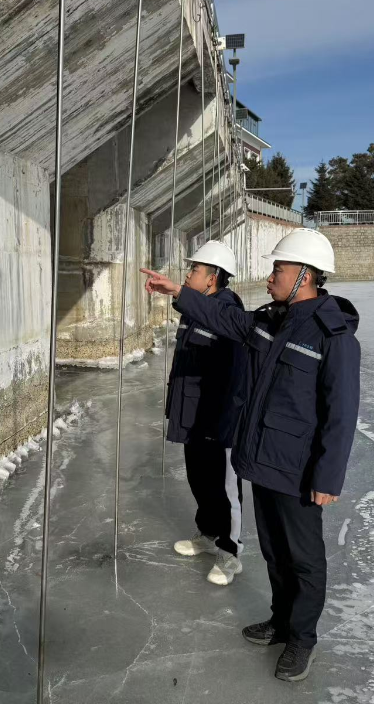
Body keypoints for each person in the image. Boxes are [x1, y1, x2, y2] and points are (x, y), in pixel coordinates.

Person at [140, 228, 360, 683]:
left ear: (305, 276)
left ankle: (302, 638)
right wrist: (179, 291)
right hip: (261, 457)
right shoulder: (269, 320)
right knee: (275, 552)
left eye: (279, 269)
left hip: (299, 468)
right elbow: (224, 319)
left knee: (303, 558)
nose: (270, 277)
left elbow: (341, 413)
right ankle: (281, 621)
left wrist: (328, 477)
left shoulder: (332, 336)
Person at [164, 241, 247, 586]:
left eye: (194, 270)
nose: (188, 274)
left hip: (217, 415)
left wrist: (227, 418)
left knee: (224, 486)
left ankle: (230, 552)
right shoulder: (195, 309)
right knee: (199, 478)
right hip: (192, 412)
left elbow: (235, 370)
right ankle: (208, 533)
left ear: (212, 278)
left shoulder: (227, 309)